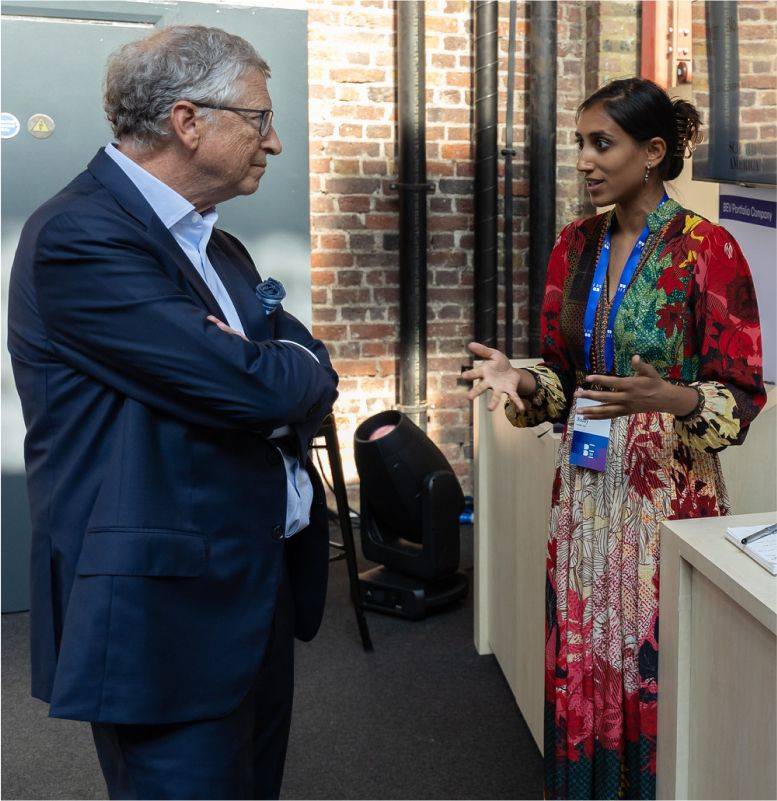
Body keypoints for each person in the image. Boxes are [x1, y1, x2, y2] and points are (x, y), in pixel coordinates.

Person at [7, 25, 338, 800]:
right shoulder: (80, 237)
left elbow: (300, 365)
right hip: (163, 615)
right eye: (259, 119)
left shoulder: (218, 248)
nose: (276, 141)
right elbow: (264, 388)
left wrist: (275, 367)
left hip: (250, 585)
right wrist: (269, 372)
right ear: (189, 121)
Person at [464, 78, 765, 800]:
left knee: (648, 664)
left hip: (667, 494)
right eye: (580, 144)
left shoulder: (707, 248)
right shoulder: (574, 246)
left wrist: (679, 397)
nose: (585, 161)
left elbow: (742, 391)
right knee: (582, 652)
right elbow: (567, 376)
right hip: (585, 494)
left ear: (653, 152)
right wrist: (527, 383)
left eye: (603, 143)